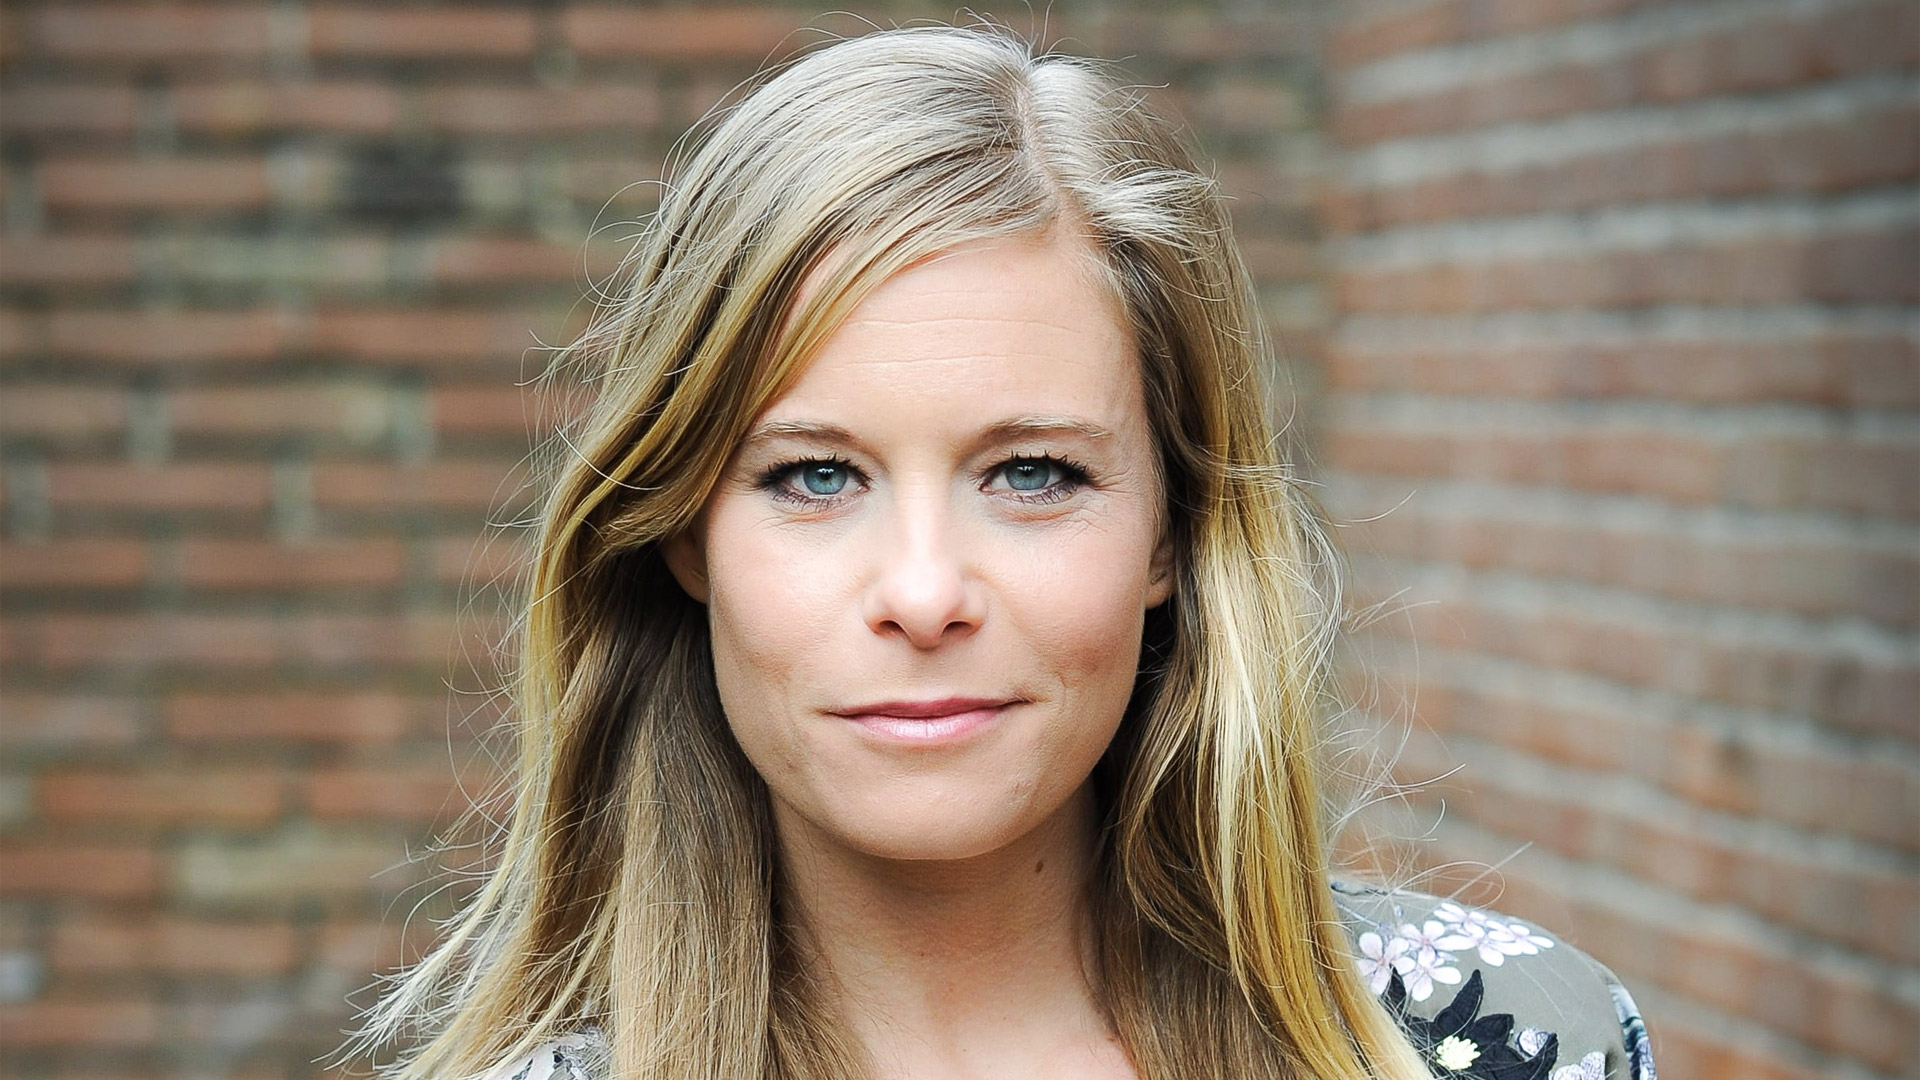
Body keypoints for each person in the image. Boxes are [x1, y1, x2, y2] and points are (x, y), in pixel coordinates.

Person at [353, 23, 1658, 1080]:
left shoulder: (1520, 1042)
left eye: (1032, 474)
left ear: (1171, 530)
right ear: (685, 535)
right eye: (815, 476)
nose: (924, 594)